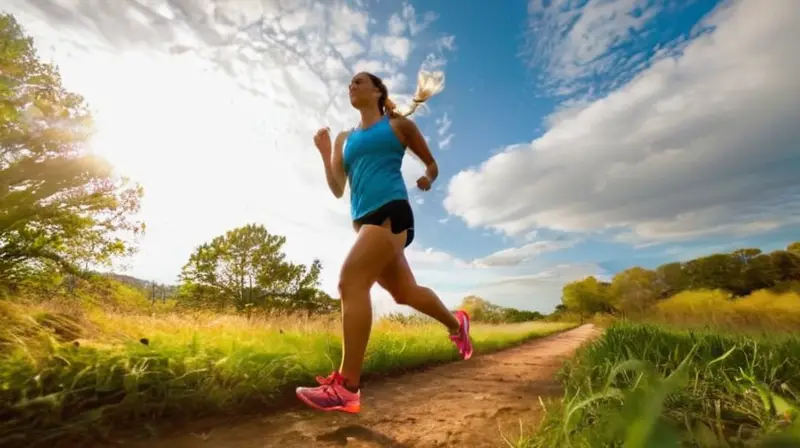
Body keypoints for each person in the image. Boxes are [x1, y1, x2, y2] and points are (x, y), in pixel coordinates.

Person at [295, 71, 473, 414]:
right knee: (405, 292)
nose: (352, 86)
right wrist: (325, 150)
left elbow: (432, 163)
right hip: (363, 223)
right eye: (349, 83)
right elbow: (336, 188)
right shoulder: (345, 138)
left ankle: (347, 388)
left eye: (359, 81)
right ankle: (457, 324)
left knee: (350, 283)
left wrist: (427, 177)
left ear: (378, 91)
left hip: (390, 212)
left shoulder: (397, 126)